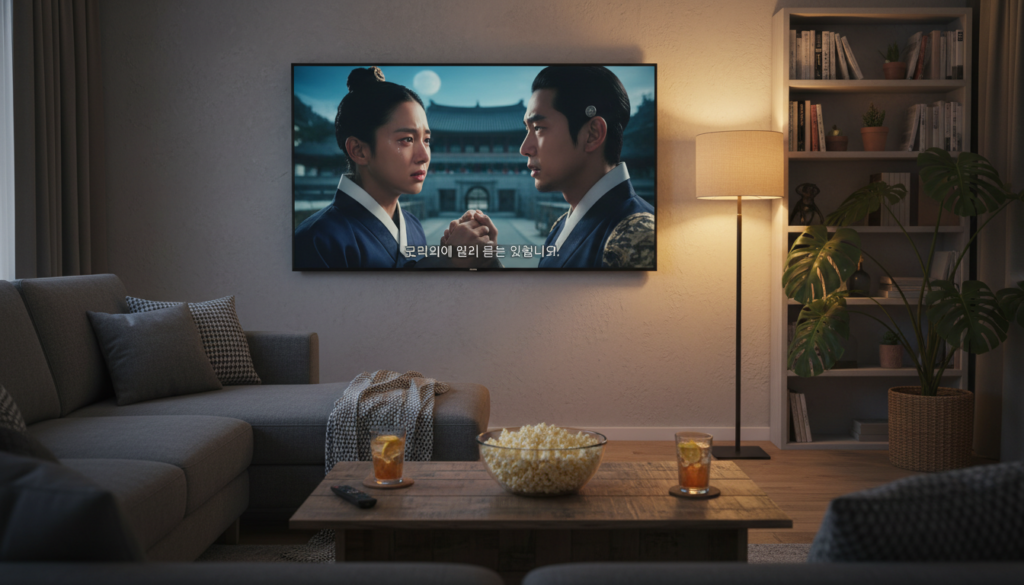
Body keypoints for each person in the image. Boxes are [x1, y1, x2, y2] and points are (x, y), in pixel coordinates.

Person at [294, 66, 496, 269]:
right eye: (407, 139)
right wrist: (445, 262)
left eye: (426, 140)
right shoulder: (317, 239)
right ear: (359, 150)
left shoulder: (412, 225)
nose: (425, 156)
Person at [522, 66, 655, 269]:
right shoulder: (562, 224)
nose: (525, 148)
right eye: (528, 129)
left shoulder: (639, 235)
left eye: (539, 128)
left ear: (592, 134)